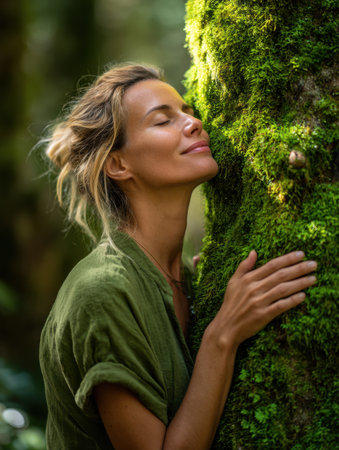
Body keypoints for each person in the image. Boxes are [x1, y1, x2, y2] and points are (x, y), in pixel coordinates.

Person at [39, 64, 317, 450]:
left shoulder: (187, 279)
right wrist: (223, 335)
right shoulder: (103, 292)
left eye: (187, 111)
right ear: (118, 165)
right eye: (163, 121)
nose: (194, 123)